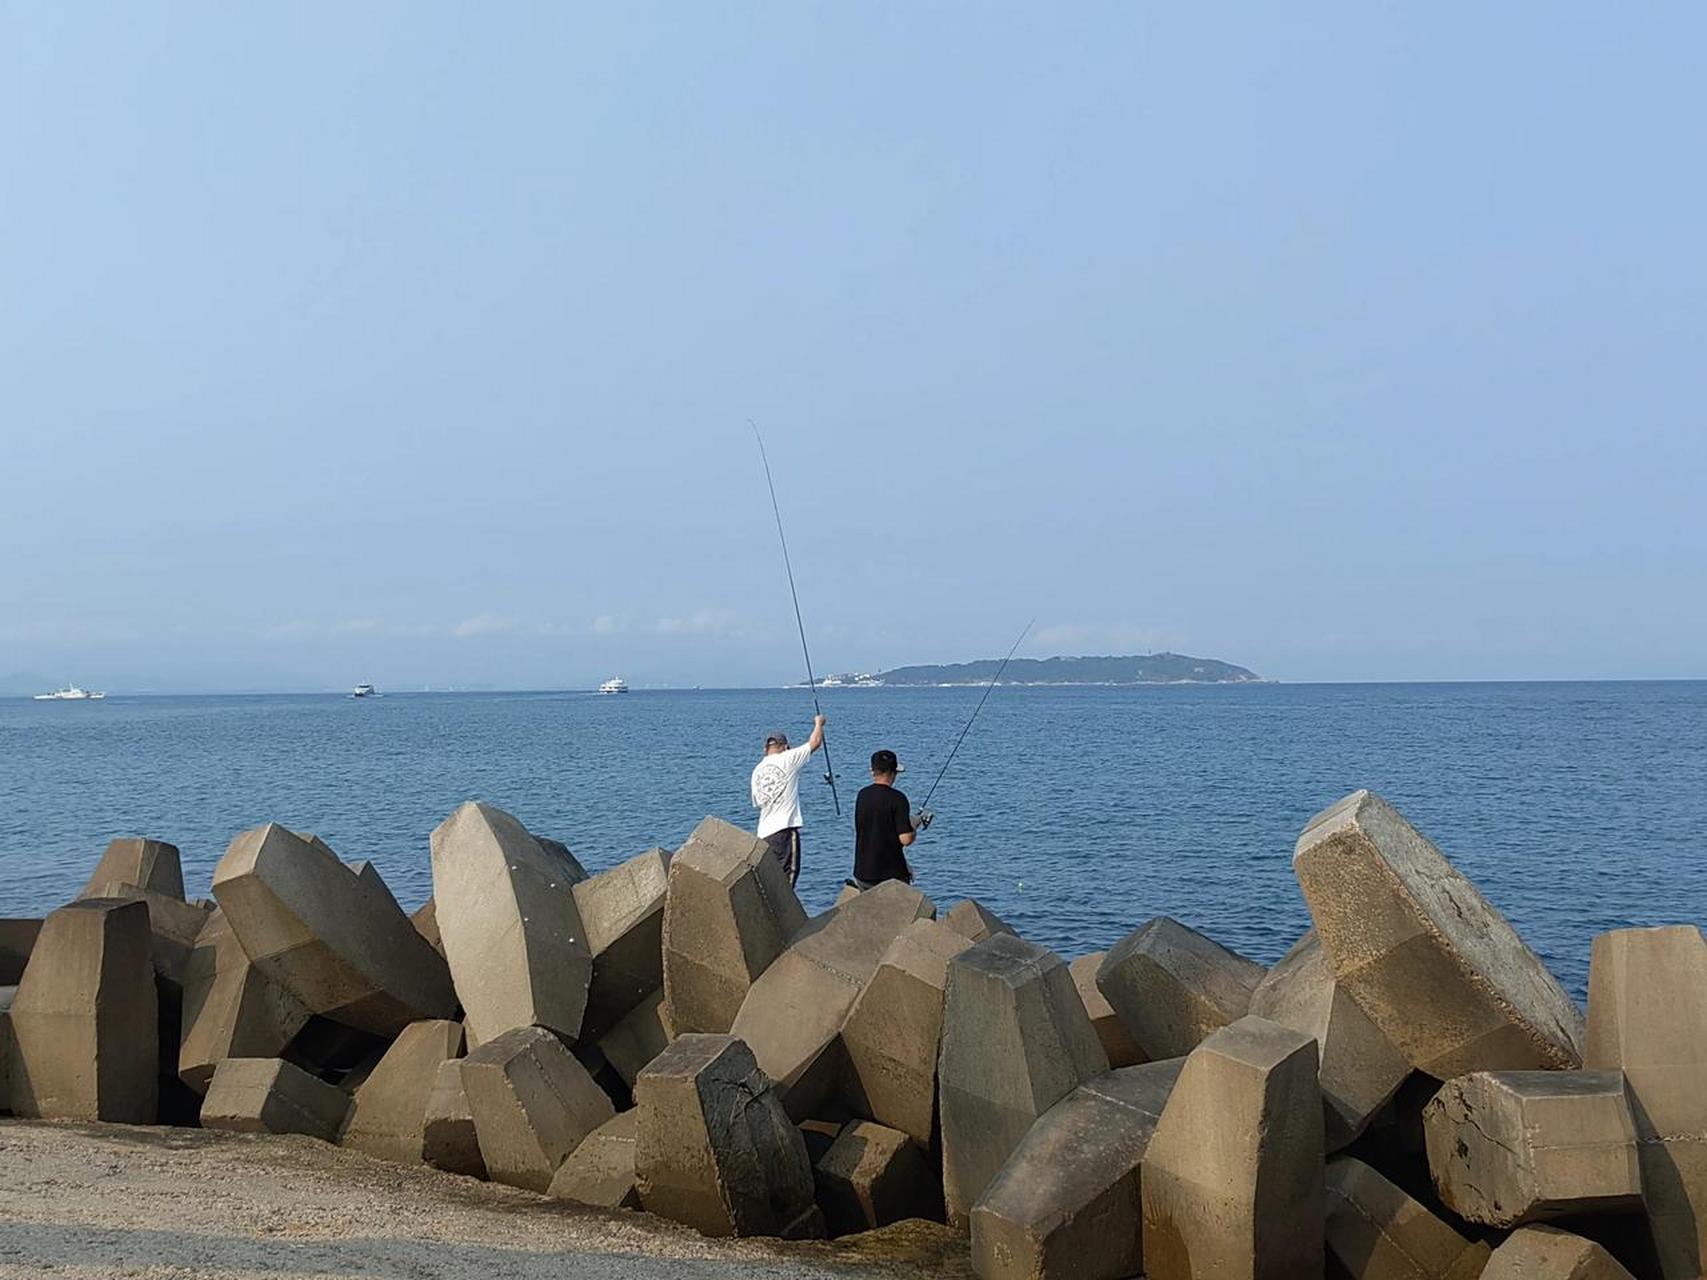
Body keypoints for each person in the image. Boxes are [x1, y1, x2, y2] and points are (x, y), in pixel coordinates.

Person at [750, 714, 826, 886]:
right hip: (784, 828)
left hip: (763, 833)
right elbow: (814, 743)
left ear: (765, 749)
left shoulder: (757, 770)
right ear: (786, 747)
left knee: (770, 882)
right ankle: (786, 913)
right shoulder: (788, 758)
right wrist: (819, 724)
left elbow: (758, 802)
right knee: (788, 878)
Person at [851, 748, 932, 890]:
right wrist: (913, 827)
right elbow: (906, 839)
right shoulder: (898, 799)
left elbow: (877, 828)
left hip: (863, 872)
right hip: (891, 874)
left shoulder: (862, 795)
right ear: (893, 773)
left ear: (872, 771)